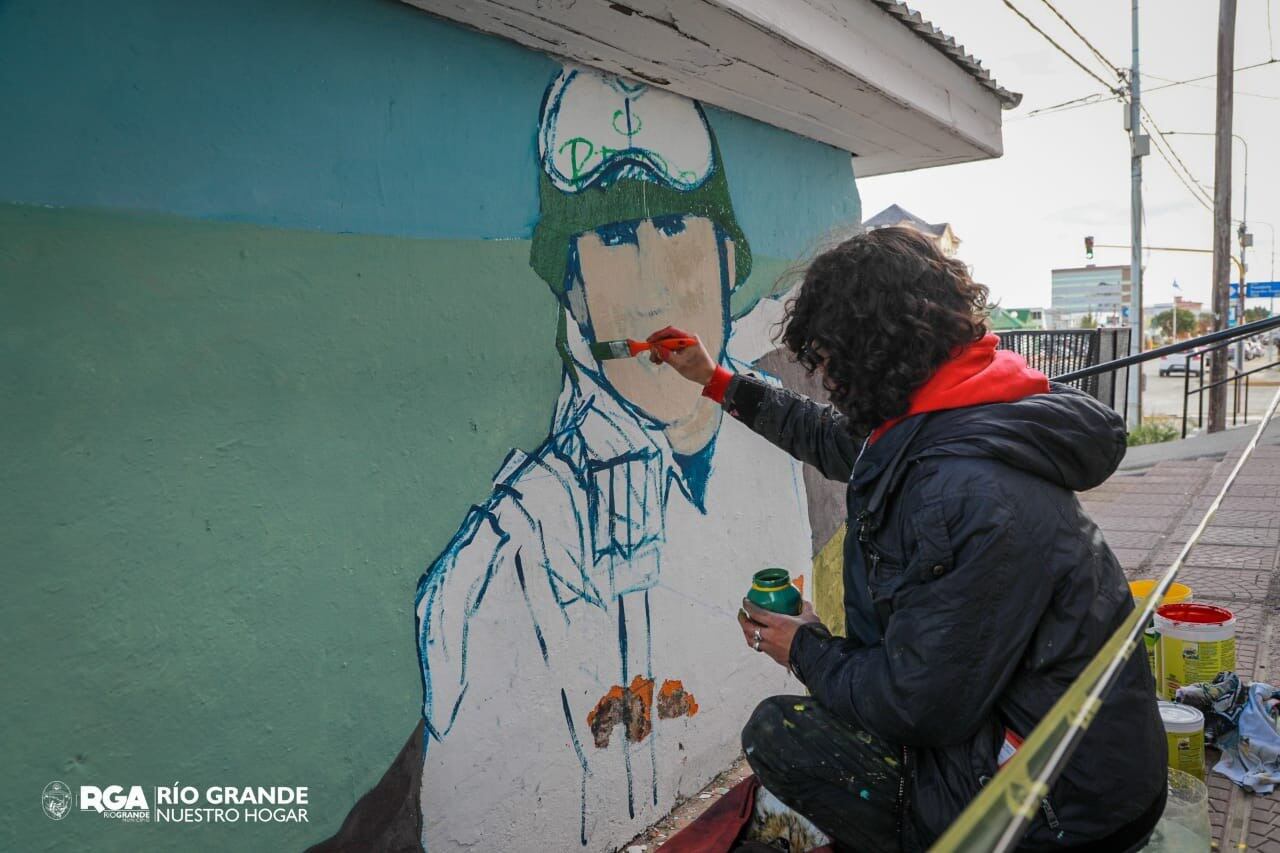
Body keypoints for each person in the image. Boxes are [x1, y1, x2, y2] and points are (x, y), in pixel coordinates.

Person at [651, 225, 1168, 852]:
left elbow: (916, 705)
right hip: (1068, 758)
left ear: (874, 350)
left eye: (833, 360)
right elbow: (830, 438)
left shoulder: (965, 492)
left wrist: (803, 648)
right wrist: (717, 380)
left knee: (780, 733)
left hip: (1060, 808)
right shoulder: (959, 409)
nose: (829, 381)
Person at [412, 65, 812, 851]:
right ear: (576, 294)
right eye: (617, 240)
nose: (655, 286)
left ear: (729, 265)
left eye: (675, 229)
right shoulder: (505, 570)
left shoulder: (773, 450)